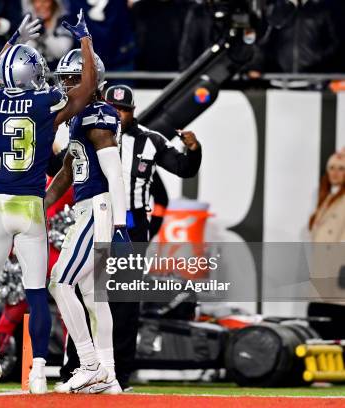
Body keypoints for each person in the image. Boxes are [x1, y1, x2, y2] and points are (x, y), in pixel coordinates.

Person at [0, 10, 98, 394]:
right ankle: (38, 371)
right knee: (37, 293)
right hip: (30, 206)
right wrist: (85, 39)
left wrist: (10, 42)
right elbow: (87, 87)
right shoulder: (43, 104)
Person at [104, 83, 202, 390]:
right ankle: (77, 368)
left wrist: (193, 149)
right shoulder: (90, 135)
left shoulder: (150, 140)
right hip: (96, 219)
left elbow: (183, 169)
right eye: (113, 109)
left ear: (132, 113)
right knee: (86, 296)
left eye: (123, 110)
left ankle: (119, 375)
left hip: (132, 227)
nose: (118, 115)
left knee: (125, 301)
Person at [43, 48, 130, 394]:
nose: (65, 85)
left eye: (72, 78)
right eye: (64, 78)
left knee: (60, 281)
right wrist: (43, 204)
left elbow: (114, 174)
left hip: (99, 208)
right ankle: (108, 375)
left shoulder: (98, 115)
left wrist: (121, 225)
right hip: (91, 207)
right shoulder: (79, 116)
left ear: (91, 82)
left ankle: (90, 363)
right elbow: (67, 170)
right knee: (94, 296)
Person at [307, 148, 345, 339]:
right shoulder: (328, 199)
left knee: (333, 325)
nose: (335, 173)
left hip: (338, 274)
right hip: (323, 271)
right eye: (331, 168)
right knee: (319, 323)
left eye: (341, 168)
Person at [27, 0, 73, 70]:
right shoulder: (27, 23)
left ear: (54, 3)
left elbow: (61, 52)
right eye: (38, 1)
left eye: (46, 1)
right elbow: (23, 53)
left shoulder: (64, 23)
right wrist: (33, 35)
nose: (42, 5)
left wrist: (45, 36)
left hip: (58, 73)